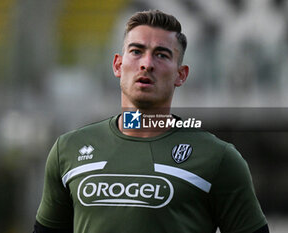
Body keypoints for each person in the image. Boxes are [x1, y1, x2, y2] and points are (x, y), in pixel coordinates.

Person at [33, 10, 269, 233]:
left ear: (181, 74)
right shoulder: (69, 149)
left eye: (161, 54)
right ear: (117, 65)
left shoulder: (218, 158)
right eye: (136, 51)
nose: (147, 64)